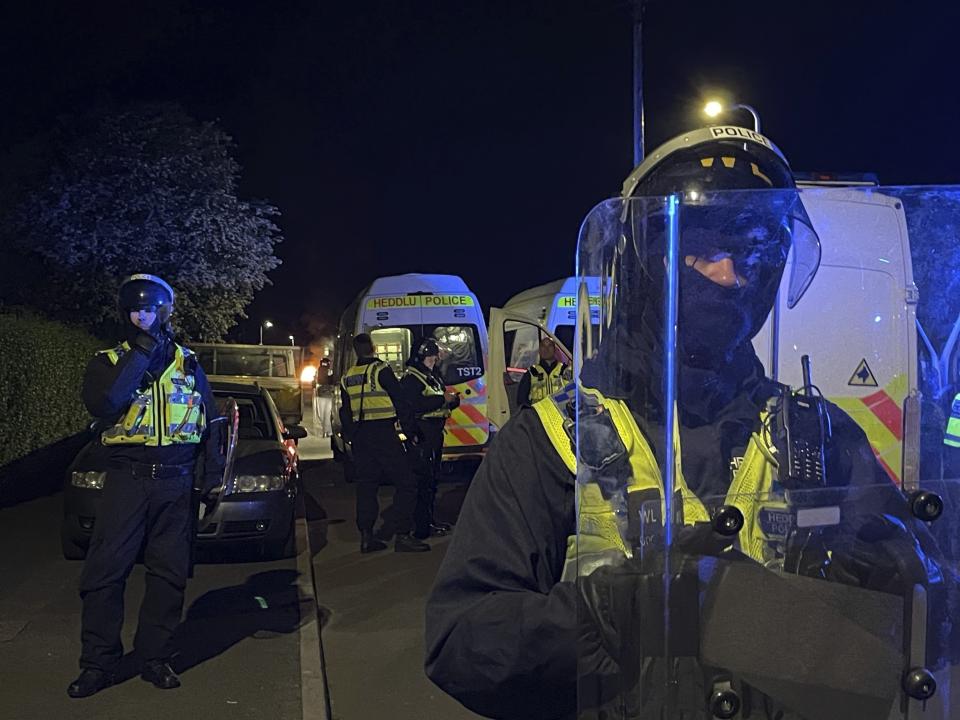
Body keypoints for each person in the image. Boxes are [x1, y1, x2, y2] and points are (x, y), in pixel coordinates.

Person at [424, 129, 953, 719]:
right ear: (647, 266)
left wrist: (919, 586)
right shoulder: (553, 441)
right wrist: (616, 613)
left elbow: (924, 635)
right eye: (703, 250)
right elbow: (461, 642)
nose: (732, 278)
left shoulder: (818, 435)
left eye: (753, 254)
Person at [68, 274, 226, 698]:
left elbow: (210, 421)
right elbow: (105, 404)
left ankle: (156, 657)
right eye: (135, 310)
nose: (143, 317)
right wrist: (140, 353)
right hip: (127, 478)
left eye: (151, 309)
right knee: (104, 573)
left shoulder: (188, 361)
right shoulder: (108, 360)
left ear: (165, 311)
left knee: (169, 575)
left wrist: (211, 478)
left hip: (176, 481)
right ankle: (98, 663)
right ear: (125, 313)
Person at [339, 333, 430, 553]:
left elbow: (345, 412)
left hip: (361, 438)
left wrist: (351, 436)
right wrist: (411, 432)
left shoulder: (348, 376)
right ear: (372, 348)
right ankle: (403, 535)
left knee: (366, 486)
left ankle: (367, 537)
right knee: (407, 482)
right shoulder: (381, 370)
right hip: (383, 434)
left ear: (355, 351)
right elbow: (401, 402)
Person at [400, 338, 461, 539]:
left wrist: (452, 401)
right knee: (423, 481)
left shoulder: (430, 376)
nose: (435, 361)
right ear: (424, 357)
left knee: (432, 480)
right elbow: (414, 405)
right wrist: (442, 399)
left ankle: (429, 521)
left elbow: (438, 400)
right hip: (423, 432)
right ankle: (421, 528)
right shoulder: (412, 378)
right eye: (433, 358)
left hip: (434, 432)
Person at [517, 337, 571, 407]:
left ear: (555, 350)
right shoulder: (532, 372)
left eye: (550, 346)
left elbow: (573, 394)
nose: (546, 349)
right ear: (539, 350)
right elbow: (521, 400)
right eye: (543, 346)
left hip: (560, 414)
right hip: (540, 415)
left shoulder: (564, 370)